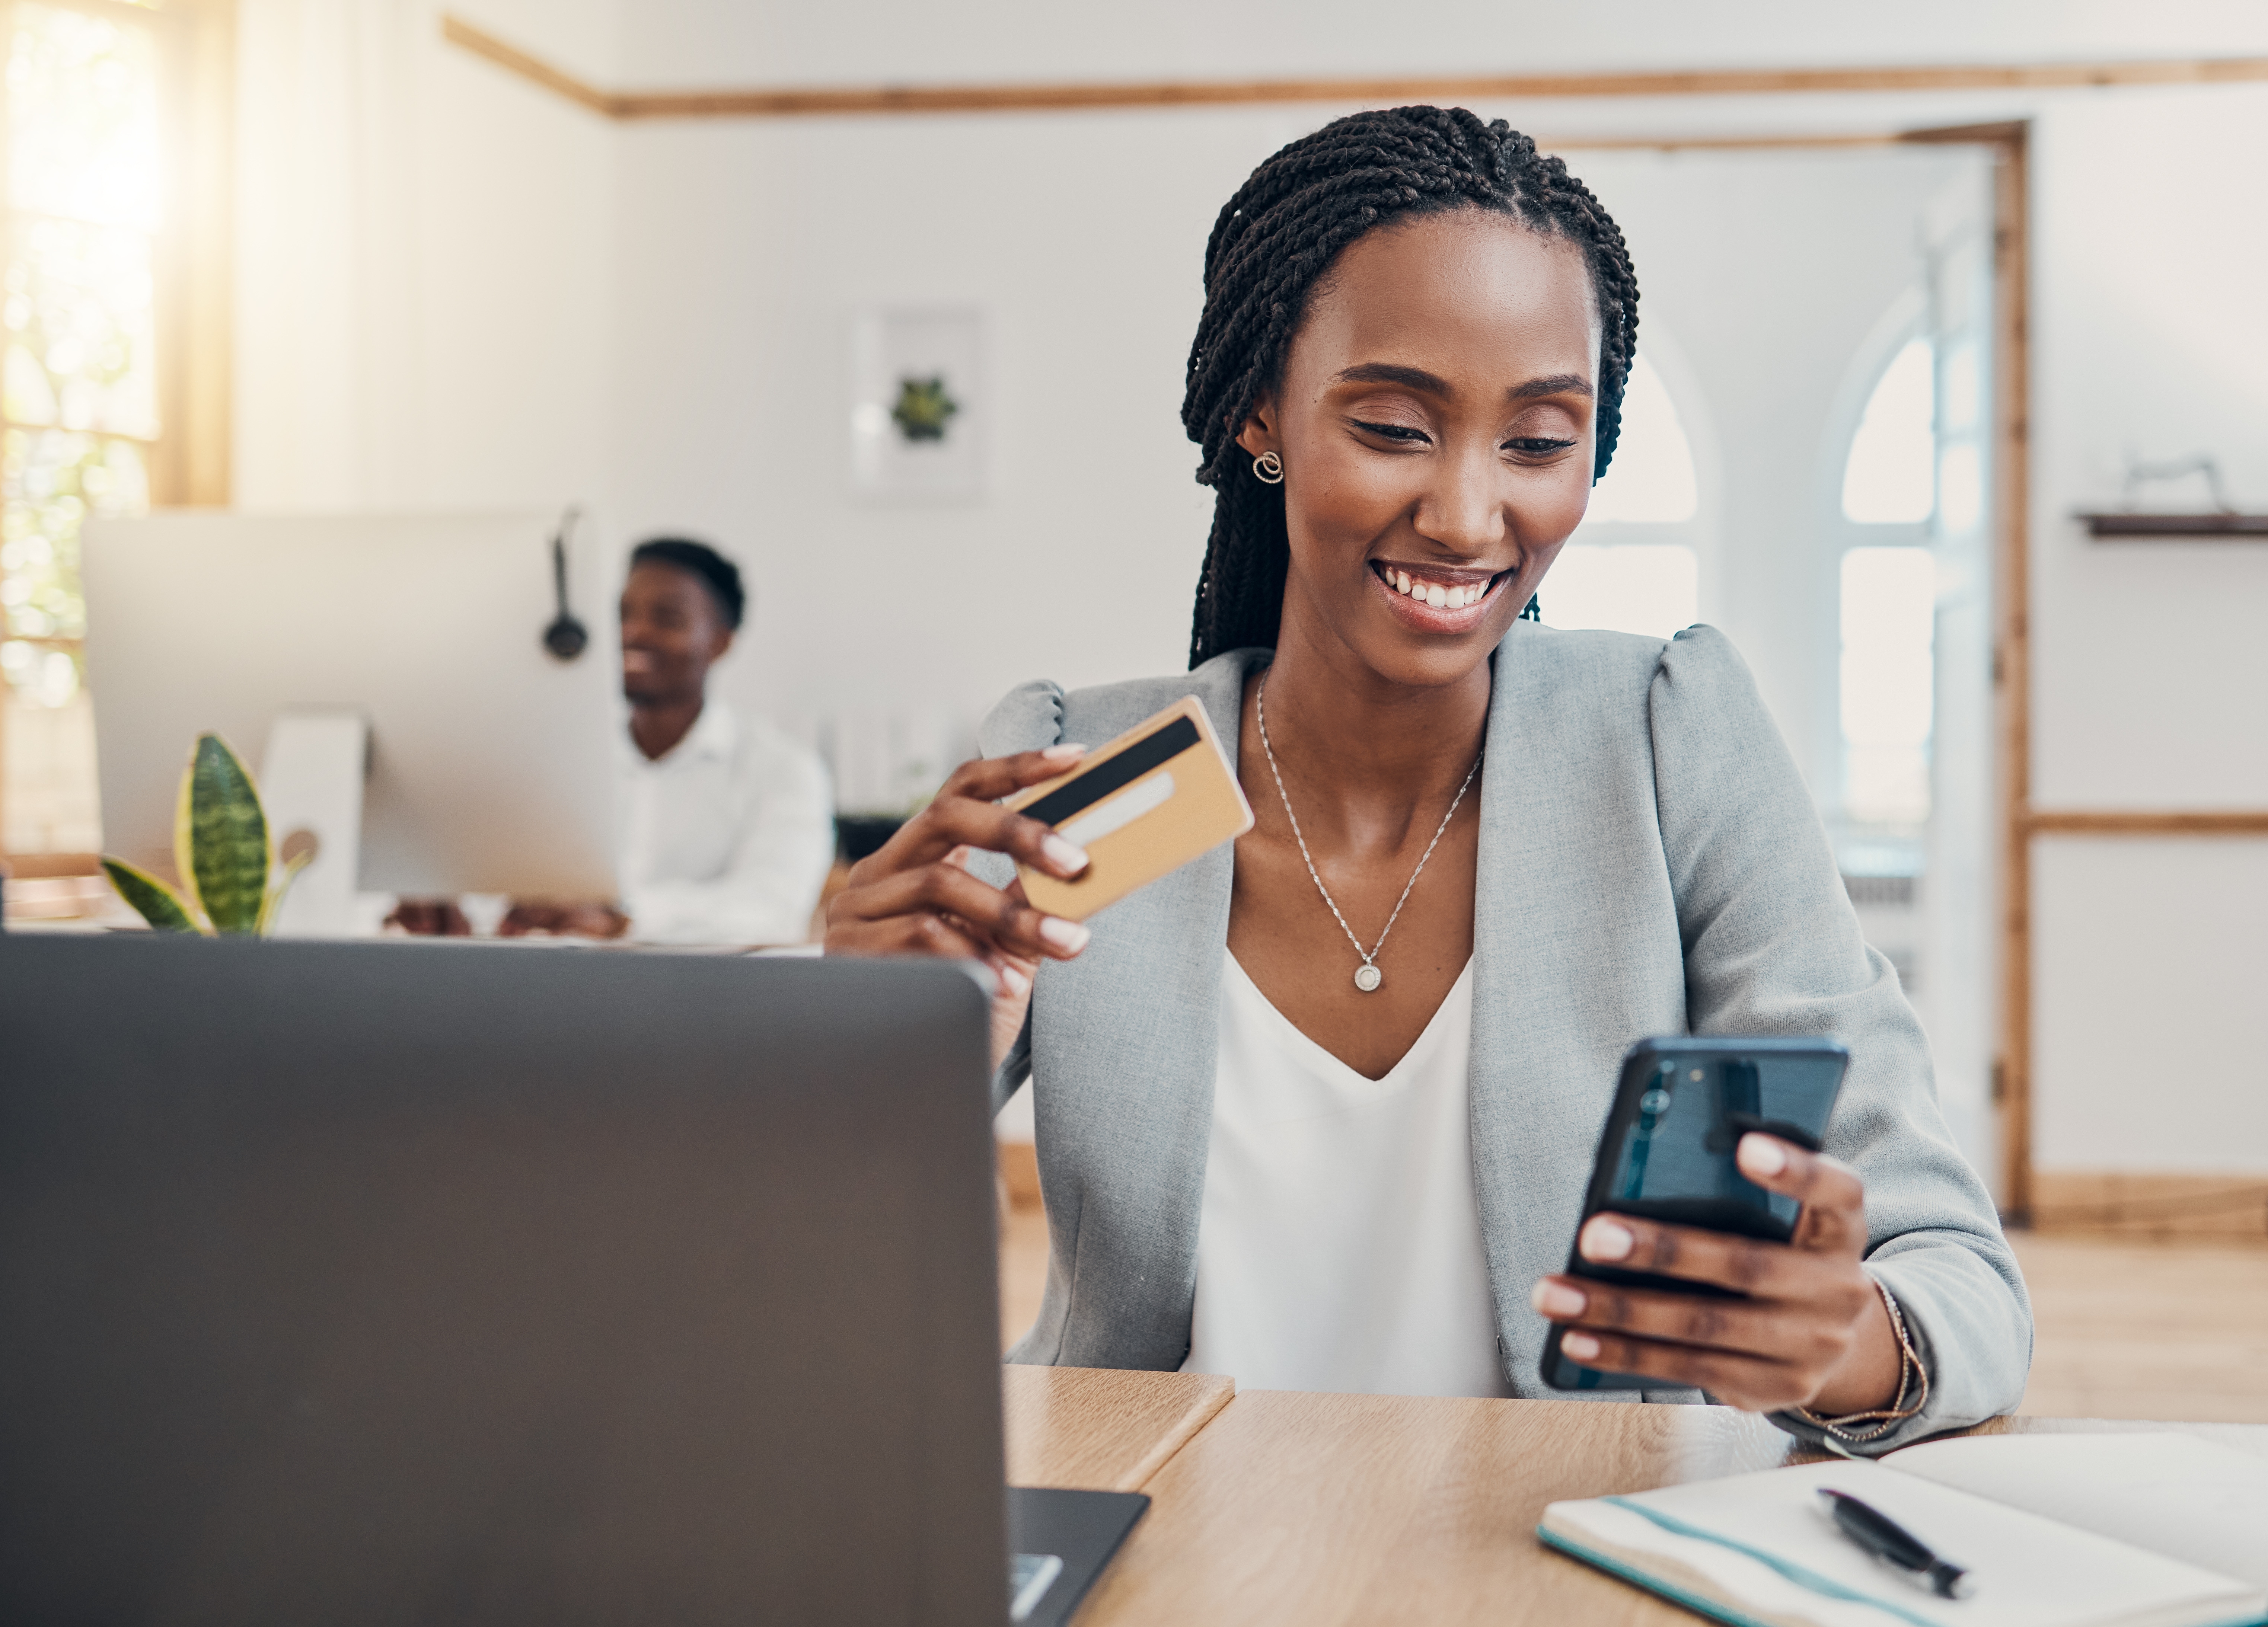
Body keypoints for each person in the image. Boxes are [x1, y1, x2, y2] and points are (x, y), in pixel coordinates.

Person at [825, 108, 2029, 1453]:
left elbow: (1962, 1286)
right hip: (1151, 1546)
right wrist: (844, 1056)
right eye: (1394, 425)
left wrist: (1842, 1338)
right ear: (1259, 415)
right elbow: (794, 1269)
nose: (1466, 517)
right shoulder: (1100, 778)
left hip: (1558, 1557)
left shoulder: (1662, 745)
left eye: (1534, 441)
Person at [499, 537, 835, 945]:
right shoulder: (559, 759)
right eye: (622, 614)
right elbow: (502, 881)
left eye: (668, 618)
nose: (633, 632)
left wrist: (621, 916)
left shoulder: (783, 769)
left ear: (720, 642)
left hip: (705, 1001)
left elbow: (771, 909)